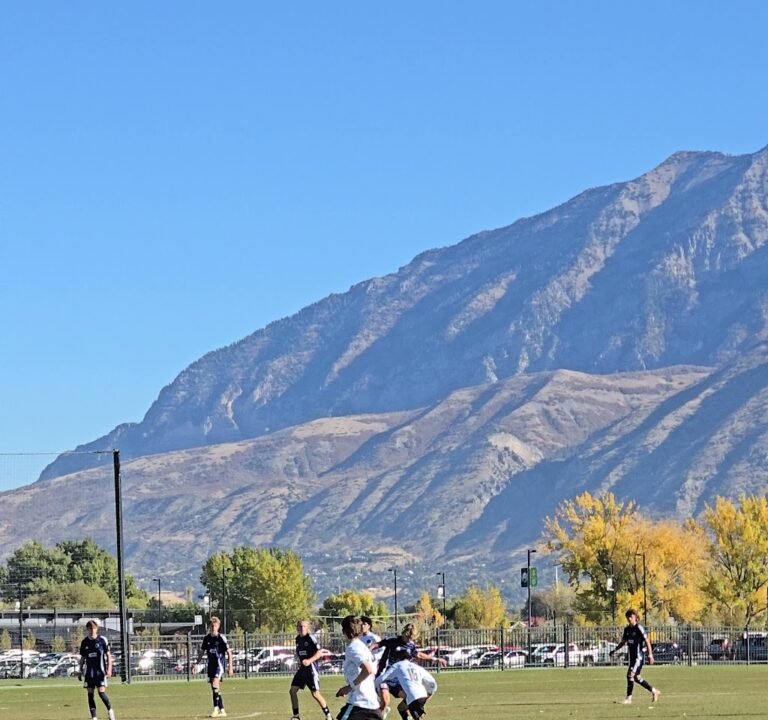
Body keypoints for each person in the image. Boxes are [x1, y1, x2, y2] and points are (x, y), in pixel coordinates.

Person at [335, 614, 382, 719]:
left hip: (359, 704)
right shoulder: (362, 647)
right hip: (372, 705)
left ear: (344, 631)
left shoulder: (353, 648)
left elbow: (368, 670)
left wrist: (349, 687)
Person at [610, 609, 660, 705]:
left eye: (631, 617)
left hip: (638, 657)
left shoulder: (639, 628)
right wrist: (615, 650)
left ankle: (628, 698)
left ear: (635, 617)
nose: (629, 619)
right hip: (632, 658)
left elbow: (647, 641)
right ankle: (654, 691)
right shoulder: (627, 630)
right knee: (636, 678)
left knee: (630, 675)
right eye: (628, 617)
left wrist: (650, 655)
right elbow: (623, 642)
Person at [290, 619, 333, 720]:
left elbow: (320, 652)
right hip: (302, 670)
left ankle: (328, 716)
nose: (302, 628)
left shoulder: (310, 638)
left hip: (311, 670)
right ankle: (296, 716)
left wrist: (309, 661)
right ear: (297, 628)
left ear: (307, 627)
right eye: (300, 626)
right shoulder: (297, 639)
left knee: (315, 694)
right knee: (292, 691)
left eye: (304, 626)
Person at [378, 650, 437, 720]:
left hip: (414, 698)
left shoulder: (398, 665)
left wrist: (373, 685)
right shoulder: (416, 666)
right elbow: (432, 681)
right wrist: (430, 692)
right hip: (418, 695)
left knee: (418, 718)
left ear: (398, 659)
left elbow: (383, 678)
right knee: (401, 708)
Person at [196, 616, 233, 717]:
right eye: (212, 626)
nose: (213, 628)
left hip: (219, 665)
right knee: (214, 688)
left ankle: (215, 709)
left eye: (215, 626)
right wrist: (196, 663)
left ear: (218, 626)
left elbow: (229, 653)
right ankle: (222, 710)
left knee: (215, 684)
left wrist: (230, 667)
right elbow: (201, 652)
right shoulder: (207, 638)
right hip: (211, 665)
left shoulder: (221, 638)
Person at [78, 619, 116, 720]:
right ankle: (94, 717)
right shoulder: (85, 642)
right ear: (87, 629)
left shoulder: (102, 640)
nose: (92, 630)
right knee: (90, 694)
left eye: (93, 628)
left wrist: (109, 669)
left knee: (101, 692)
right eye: (89, 628)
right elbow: (82, 658)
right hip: (89, 673)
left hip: (100, 672)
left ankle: (110, 710)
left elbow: (108, 656)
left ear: (97, 629)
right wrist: (79, 670)